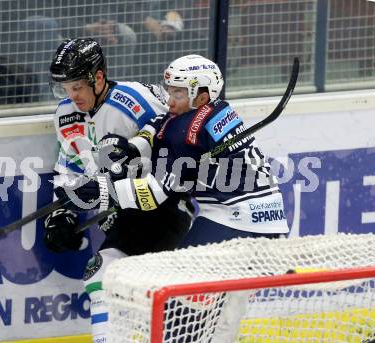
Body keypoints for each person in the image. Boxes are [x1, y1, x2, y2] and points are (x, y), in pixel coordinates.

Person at [59, 54, 290, 341]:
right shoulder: (211, 112)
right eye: (169, 91)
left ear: (202, 94)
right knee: (222, 308)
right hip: (265, 218)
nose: (170, 99)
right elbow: (157, 125)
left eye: (178, 93)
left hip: (236, 219)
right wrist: (131, 148)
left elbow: (153, 194)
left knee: (177, 302)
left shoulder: (188, 131)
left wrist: (103, 192)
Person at [43, 38, 193, 343]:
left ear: (98, 78)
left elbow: (182, 130)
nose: (72, 96)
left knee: (170, 301)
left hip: (162, 206)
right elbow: (68, 171)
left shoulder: (133, 99)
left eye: (77, 87)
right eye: (65, 89)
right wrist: (59, 216)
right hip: (124, 214)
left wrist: (139, 153)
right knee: (100, 277)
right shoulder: (65, 115)